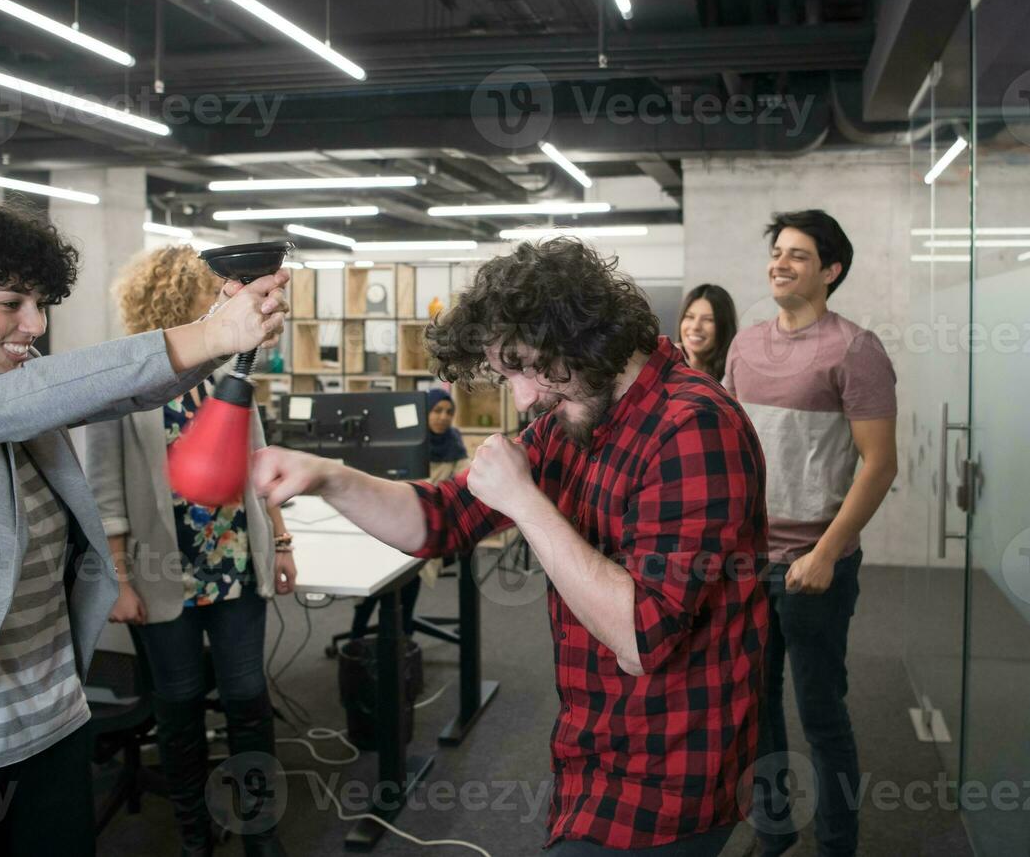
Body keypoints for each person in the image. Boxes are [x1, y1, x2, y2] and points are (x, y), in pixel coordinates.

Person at [250, 238, 770, 855]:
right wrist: (326, 475)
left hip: (671, 769)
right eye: (506, 374)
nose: (523, 398)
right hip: (593, 748)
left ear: (583, 334)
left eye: (525, 366)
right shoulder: (575, 415)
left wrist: (524, 500)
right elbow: (439, 520)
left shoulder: (694, 426)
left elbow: (641, 637)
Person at [0, 198, 287, 857]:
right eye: (11, 303)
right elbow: (5, 406)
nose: (36, 324)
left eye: (42, 303)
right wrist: (213, 335)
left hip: (48, 722)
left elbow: (119, 393)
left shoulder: (10, 382)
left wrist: (218, 333)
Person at [83, 245, 297, 857]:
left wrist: (280, 541)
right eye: (215, 292)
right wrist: (119, 580)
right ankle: (194, 836)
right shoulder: (124, 378)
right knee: (177, 712)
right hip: (162, 571)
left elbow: (258, 464)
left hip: (234, 562)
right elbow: (106, 495)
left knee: (248, 700)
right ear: (180, 296)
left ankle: (261, 831)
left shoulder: (231, 367)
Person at [724, 210, 898, 857]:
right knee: (756, 708)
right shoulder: (743, 346)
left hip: (815, 566)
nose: (780, 263)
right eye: (777, 251)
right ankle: (773, 832)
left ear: (831, 271)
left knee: (822, 717)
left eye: (798, 255)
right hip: (748, 563)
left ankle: (837, 844)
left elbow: (881, 464)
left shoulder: (856, 349)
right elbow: (731, 449)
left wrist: (827, 553)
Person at [346, 386, 469, 641]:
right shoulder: (405, 440)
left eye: (448, 412)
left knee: (410, 572)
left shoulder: (454, 445)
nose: (443, 417)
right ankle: (358, 637)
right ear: (424, 413)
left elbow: (463, 486)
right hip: (388, 521)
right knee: (378, 576)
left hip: (427, 527)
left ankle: (402, 637)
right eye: (437, 411)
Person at [677, 283, 738, 383]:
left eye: (708, 320)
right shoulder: (663, 367)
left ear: (724, 327)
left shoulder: (735, 376)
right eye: (689, 317)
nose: (695, 326)